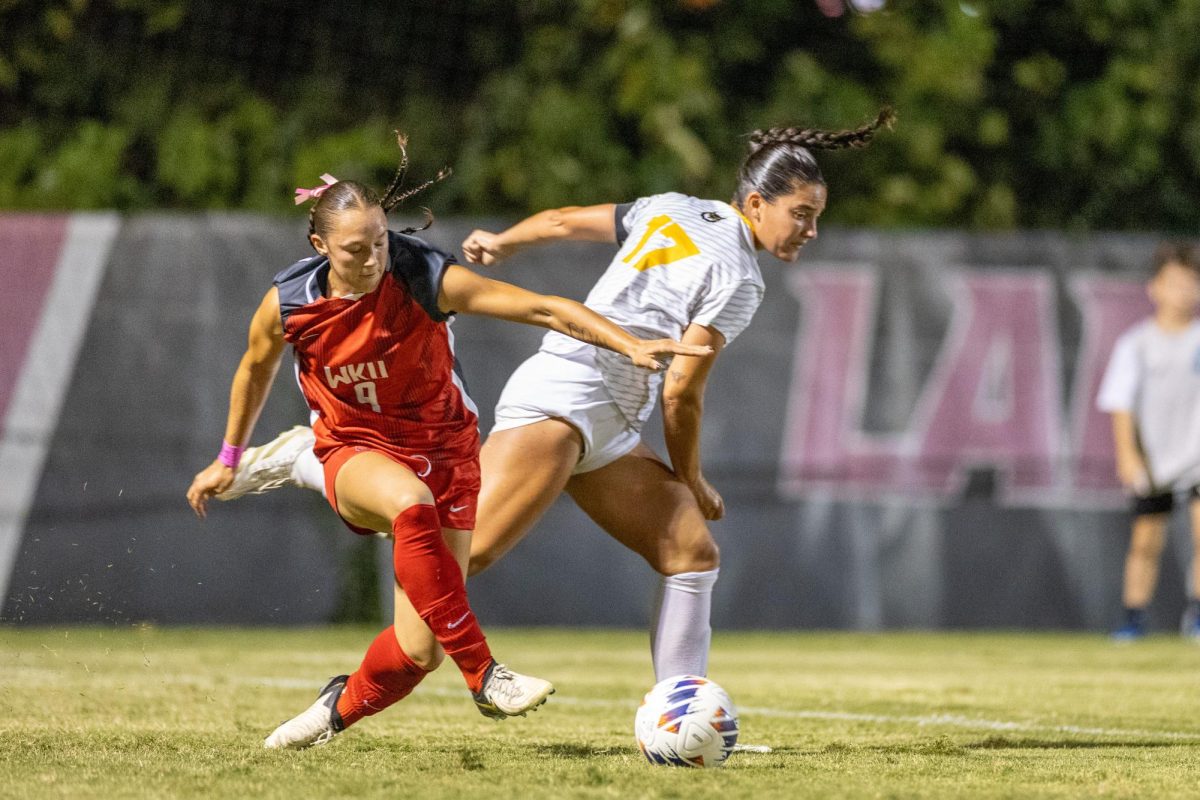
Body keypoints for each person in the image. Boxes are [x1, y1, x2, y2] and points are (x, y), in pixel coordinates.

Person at [218, 111, 894, 681]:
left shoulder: (674, 207)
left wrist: (505, 241)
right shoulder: (741, 277)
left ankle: (677, 713)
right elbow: (682, 393)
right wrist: (691, 476)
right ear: (755, 204)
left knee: (689, 550)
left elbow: (569, 220)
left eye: (816, 217)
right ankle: (313, 459)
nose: (809, 230)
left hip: (604, 418)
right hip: (570, 398)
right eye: (800, 215)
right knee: (465, 553)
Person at [186, 141, 710, 749]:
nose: (374, 258)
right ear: (319, 247)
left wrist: (629, 345)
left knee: (414, 655)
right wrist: (227, 457)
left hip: (447, 456)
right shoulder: (291, 302)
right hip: (355, 448)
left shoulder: (421, 276)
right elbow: (255, 367)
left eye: (380, 241)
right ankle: (485, 673)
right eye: (356, 250)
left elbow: (542, 308)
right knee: (410, 504)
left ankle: (332, 711)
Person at [1097, 243, 1200, 640]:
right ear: (1154, 289)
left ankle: (1196, 615)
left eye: (1191, 284)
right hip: (1155, 460)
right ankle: (1133, 616)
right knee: (1145, 542)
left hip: (1196, 456)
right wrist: (1128, 456)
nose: (1184, 292)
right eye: (1175, 284)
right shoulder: (1136, 344)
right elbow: (1120, 404)